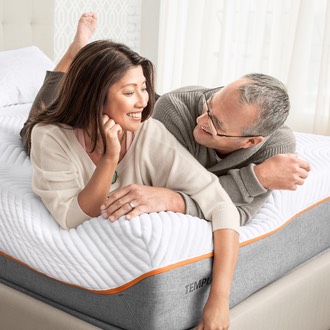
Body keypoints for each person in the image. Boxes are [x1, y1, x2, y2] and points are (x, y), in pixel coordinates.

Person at [25, 18, 240, 330]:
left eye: (144, 88)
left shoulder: (148, 133)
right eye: (129, 92)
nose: (144, 101)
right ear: (96, 95)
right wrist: (110, 158)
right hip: (44, 130)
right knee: (43, 105)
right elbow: (71, 216)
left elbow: (222, 206)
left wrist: (219, 299)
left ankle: (77, 53)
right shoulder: (48, 137)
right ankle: (74, 51)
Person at [20, 14, 311, 228]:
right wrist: (256, 178)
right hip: (144, 109)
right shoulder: (173, 110)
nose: (201, 117)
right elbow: (176, 186)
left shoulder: (278, 147)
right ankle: (76, 53)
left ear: (252, 141)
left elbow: (225, 206)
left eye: (216, 124)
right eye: (210, 102)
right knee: (37, 124)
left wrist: (252, 180)